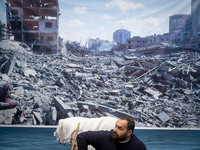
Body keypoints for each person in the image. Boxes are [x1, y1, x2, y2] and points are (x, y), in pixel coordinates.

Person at [76, 116, 147, 150]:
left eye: (120, 128)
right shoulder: (105, 137)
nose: (115, 130)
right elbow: (82, 137)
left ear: (129, 132)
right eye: (116, 126)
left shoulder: (139, 147)